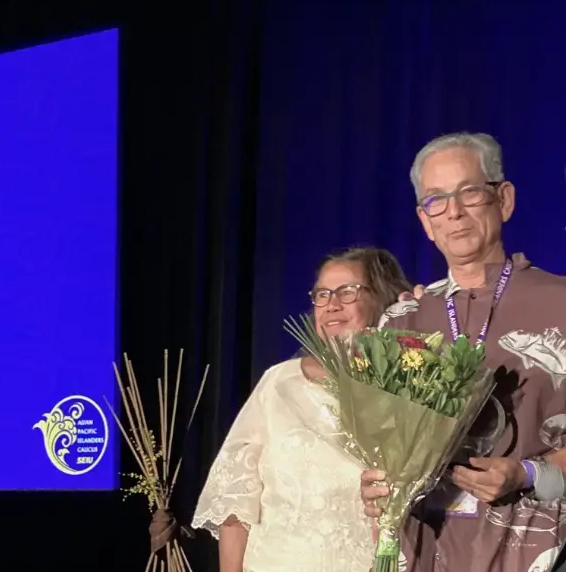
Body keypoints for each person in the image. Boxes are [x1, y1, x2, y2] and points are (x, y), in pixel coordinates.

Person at [360, 132, 566, 571]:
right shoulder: (401, 321)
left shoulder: (560, 304)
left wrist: (527, 474)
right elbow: (381, 446)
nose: (453, 211)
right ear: (424, 220)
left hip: (534, 551)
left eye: (469, 192)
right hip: (423, 552)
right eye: (436, 200)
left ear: (503, 199)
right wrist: (376, 486)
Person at [192, 246, 413, 571]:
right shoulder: (278, 382)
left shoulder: (408, 388)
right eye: (322, 294)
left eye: (347, 291)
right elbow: (235, 499)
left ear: (383, 297)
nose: (331, 304)